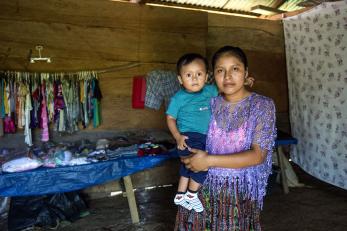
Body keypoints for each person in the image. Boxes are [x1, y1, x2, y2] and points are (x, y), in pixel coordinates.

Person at [175, 46, 276, 231]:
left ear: (246, 73)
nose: (227, 76)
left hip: (239, 194)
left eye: (235, 69)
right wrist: (186, 154)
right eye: (220, 70)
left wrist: (207, 161)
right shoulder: (209, 103)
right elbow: (187, 133)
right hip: (201, 189)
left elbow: (258, 155)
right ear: (213, 76)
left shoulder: (262, 106)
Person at [166, 53, 218, 213]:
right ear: (180, 79)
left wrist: (244, 81)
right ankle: (191, 194)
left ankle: (180, 195)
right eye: (189, 75)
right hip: (188, 138)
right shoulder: (178, 98)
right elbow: (170, 118)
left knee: (188, 167)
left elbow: (226, 86)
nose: (194, 78)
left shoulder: (210, 91)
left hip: (204, 138)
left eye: (199, 74)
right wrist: (177, 136)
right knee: (203, 165)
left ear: (207, 76)